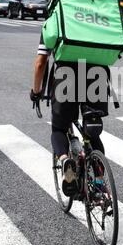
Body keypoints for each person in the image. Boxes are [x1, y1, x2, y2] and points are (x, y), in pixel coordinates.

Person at [30, 33, 109, 196]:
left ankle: (66, 161)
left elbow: (40, 64)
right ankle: (100, 184)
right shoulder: (98, 15)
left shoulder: (55, 20)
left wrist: (36, 92)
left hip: (66, 76)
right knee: (92, 132)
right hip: (97, 75)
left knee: (59, 129)